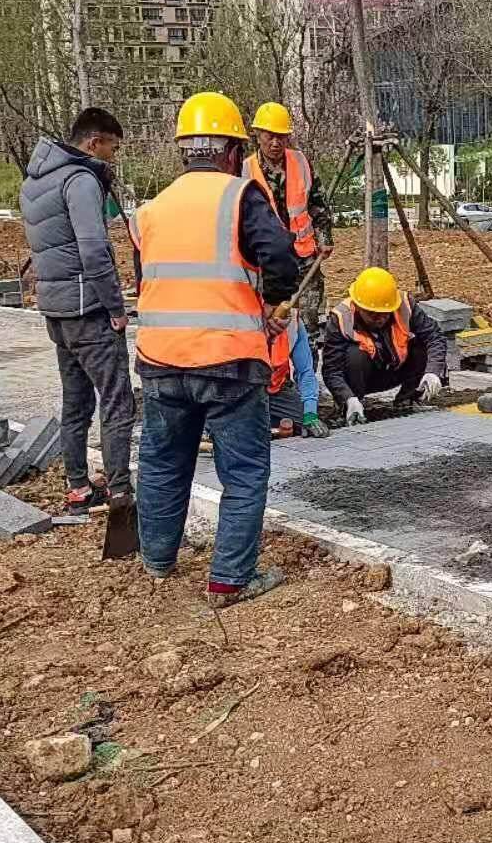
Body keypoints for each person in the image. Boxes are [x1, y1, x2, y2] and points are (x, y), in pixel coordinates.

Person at [128, 91, 300, 608]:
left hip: (161, 360)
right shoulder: (240, 196)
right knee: (243, 472)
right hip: (228, 360)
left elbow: (147, 281)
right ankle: (229, 579)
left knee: (162, 463)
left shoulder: (151, 210)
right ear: (231, 150)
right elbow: (282, 257)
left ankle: (157, 559)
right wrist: (271, 304)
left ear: (184, 149)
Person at [19, 106, 134, 514]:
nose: (113, 156)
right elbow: (94, 250)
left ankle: (79, 489)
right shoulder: (80, 180)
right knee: (118, 402)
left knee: (76, 403)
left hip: (57, 312)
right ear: (94, 142)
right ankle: (121, 494)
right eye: (112, 148)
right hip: (89, 312)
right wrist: (116, 307)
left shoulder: (34, 182)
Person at [242, 102, 333, 377]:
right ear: (258, 135)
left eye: (281, 136)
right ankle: (271, 381)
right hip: (266, 266)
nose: (275, 142)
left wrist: (325, 237)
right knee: (269, 323)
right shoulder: (245, 171)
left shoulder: (300, 162)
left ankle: (307, 383)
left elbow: (318, 204)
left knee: (308, 324)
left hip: (304, 260)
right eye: (270, 136)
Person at [323, 267, 447, 426]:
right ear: (359, 307)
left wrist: (433, 372)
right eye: (372, 314)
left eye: (385, 313)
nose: (380, 319)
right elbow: (331, 370)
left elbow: (434, 336)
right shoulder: (341, 317)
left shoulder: (404, 305)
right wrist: (347, 398)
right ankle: (350, 408)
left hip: (394, 369)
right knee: (355, 355)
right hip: (361, 378)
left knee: (421, 346)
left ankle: (407, 400)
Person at [266, 313, 328, 438]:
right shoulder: (247, 318)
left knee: (306, 425)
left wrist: (310, 413)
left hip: (275, 391)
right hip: (241, 393)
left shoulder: (293, 323)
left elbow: (305, 371)